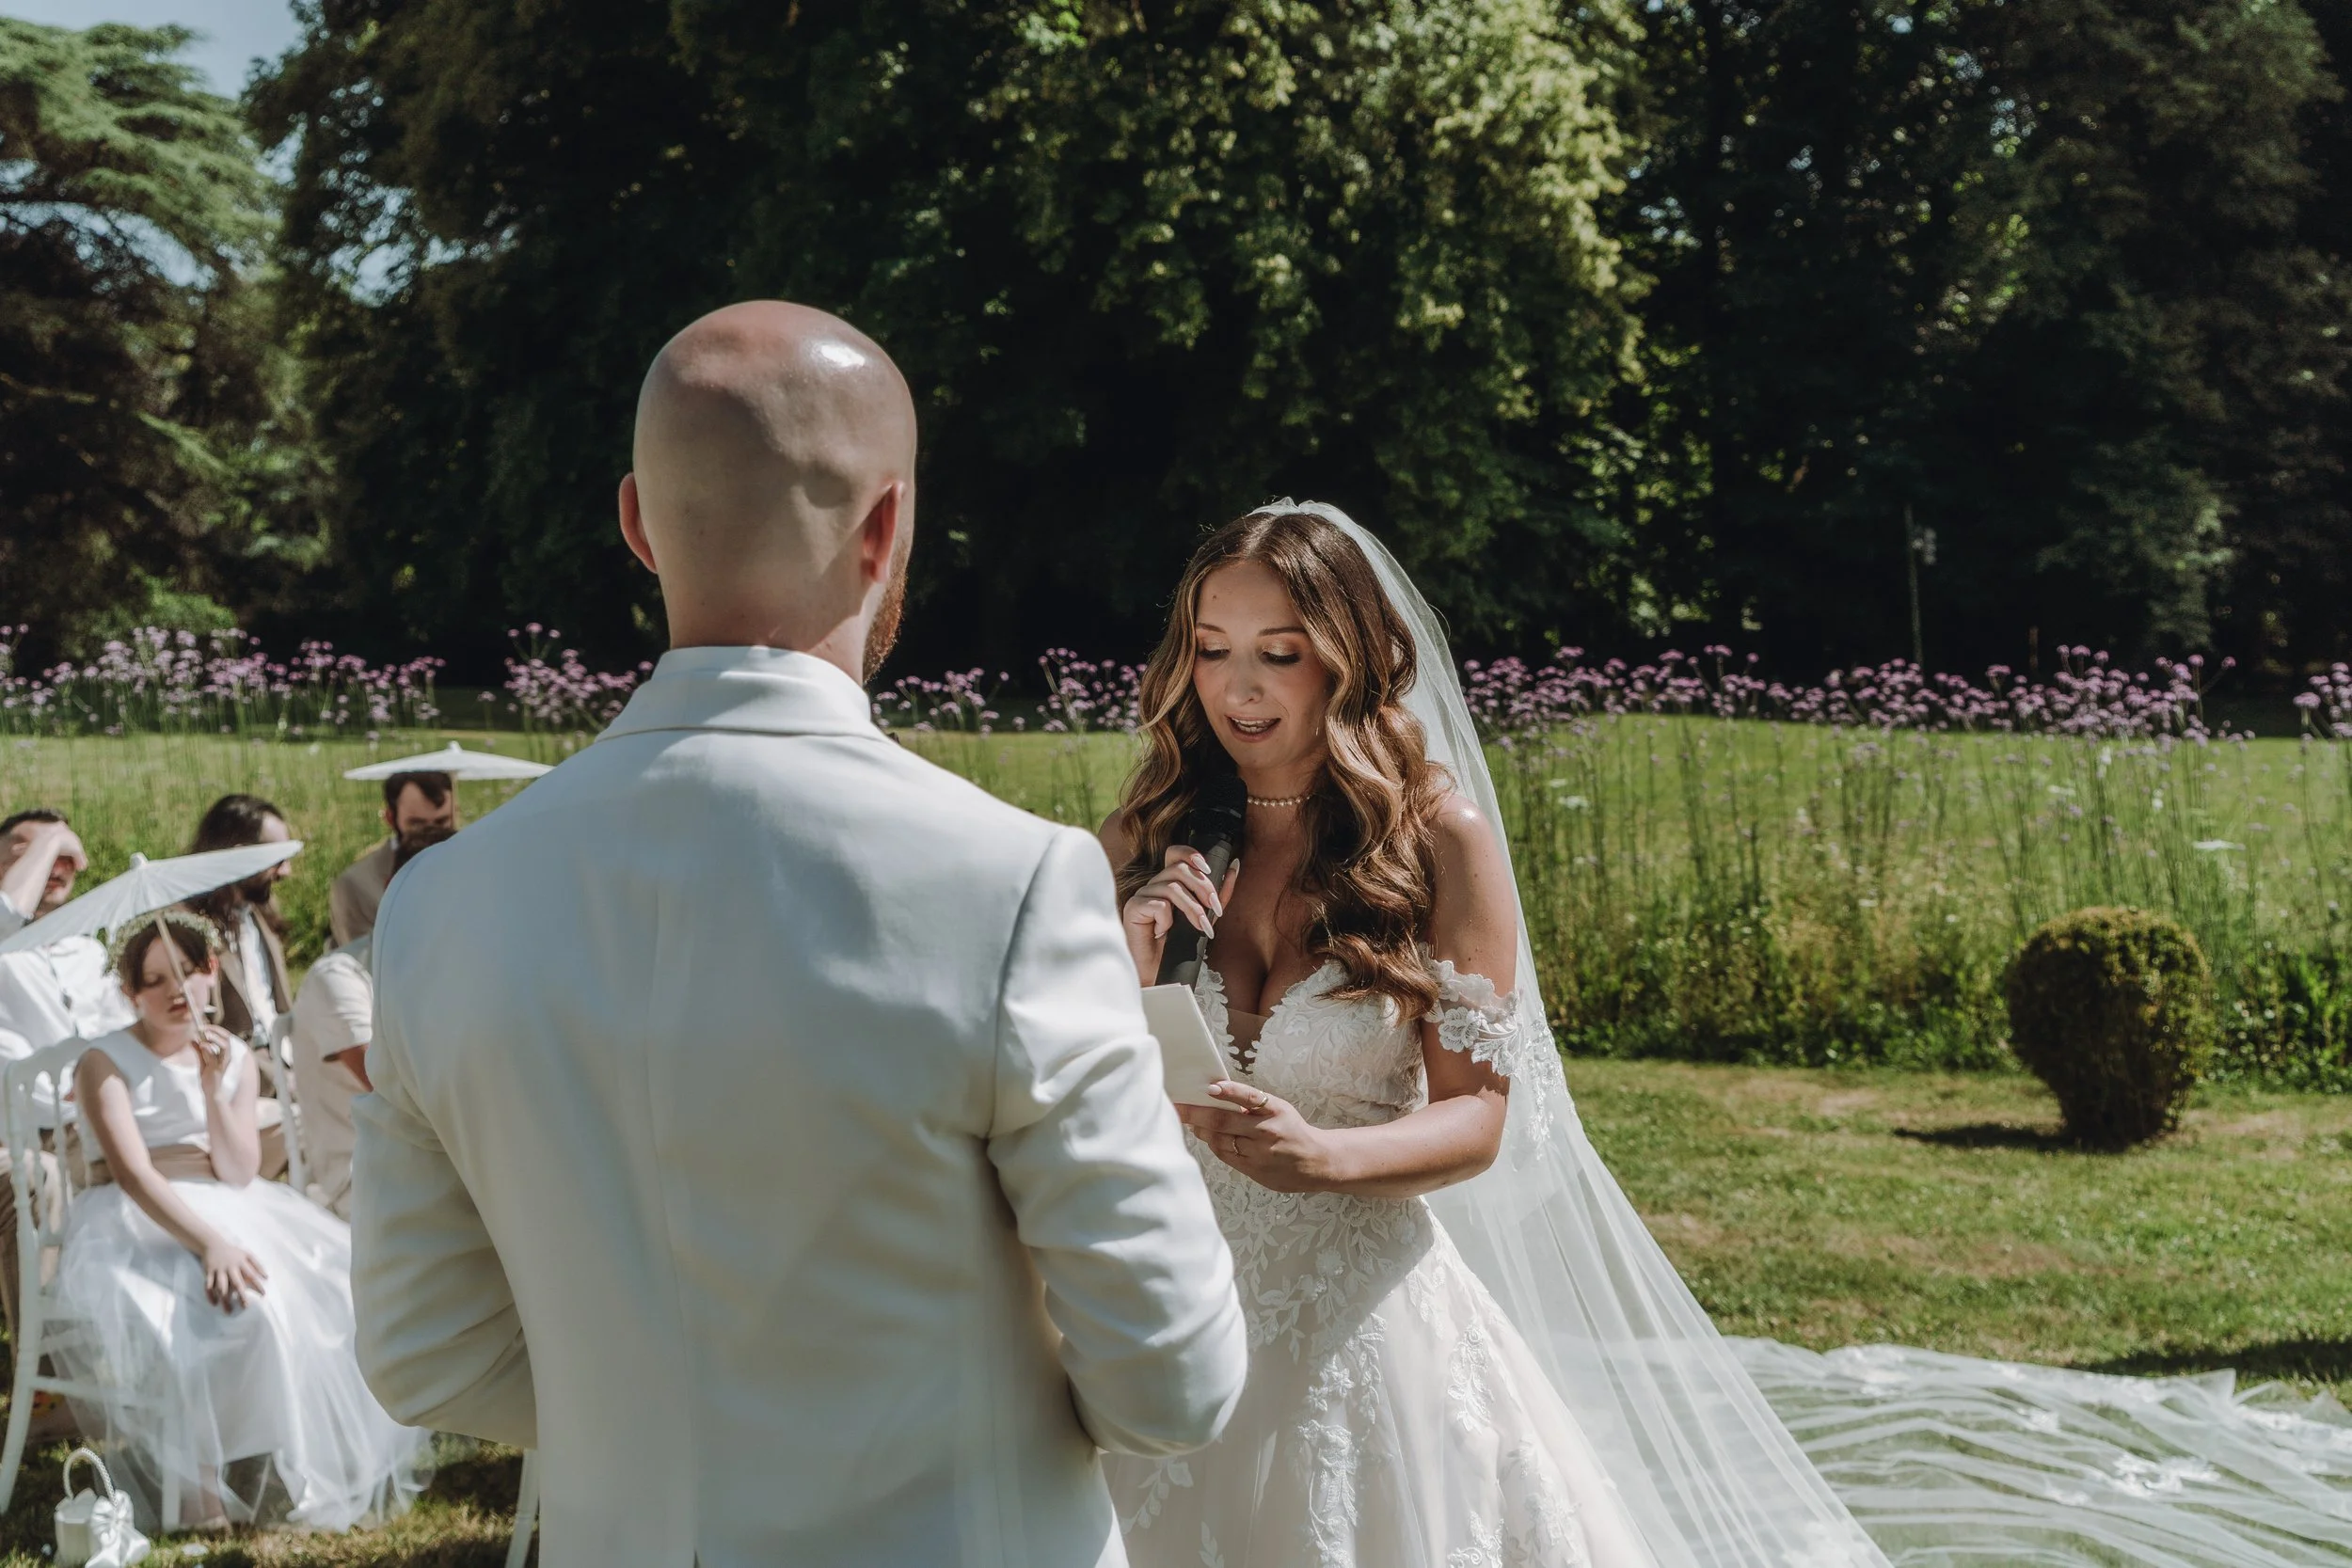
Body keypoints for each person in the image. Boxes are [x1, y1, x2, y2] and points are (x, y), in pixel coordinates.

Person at [353, 300, 1248, 1568]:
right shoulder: (1014, 880)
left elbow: (425, 1349)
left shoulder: (438, 904)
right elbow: (1172, 1377)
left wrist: (658, 1428)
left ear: (636, 524)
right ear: (886, 528)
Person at [55, 911, 430, 1532]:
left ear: (211, 971)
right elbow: (132, 1172)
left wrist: (212, 1088)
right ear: (131, 993)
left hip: (227, 1198)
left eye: (187, 971)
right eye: (154, 981)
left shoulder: (230, 1055)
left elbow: (237, 1169)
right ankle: (197, 1488)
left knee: (326, 1290)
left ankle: (301, 1460)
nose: (175, 991)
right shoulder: (105, 1060)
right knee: (209, 1310)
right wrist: (209, 1243)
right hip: (137, 1212)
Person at [0, 809, 133, 1370]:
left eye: (63, 856)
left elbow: (121, 1033)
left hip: (90, 1125)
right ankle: (46, 1374)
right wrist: (55, 833)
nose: (53, 865)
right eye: (29, 852)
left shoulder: (90, 951)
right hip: (19, 1136)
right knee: (43, 1177)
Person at [290, 826, 454, 1217]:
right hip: (366, 1175)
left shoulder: (453, 969)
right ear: (392, 888)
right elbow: (393, 1090)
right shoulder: (337, 978)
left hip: (445, 1160)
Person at [184, 795, 296, 1047]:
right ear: (239, 855)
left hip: (288, 1053)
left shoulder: (261, 911)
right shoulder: (191, 927)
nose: (286, 871)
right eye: (277, 859)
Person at [329, 771, 458, 945]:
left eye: (441, 822)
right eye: (417, 824)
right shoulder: (357, 885)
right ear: (390, 818)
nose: (432, 833)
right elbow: (361, 956)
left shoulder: (475, 868)